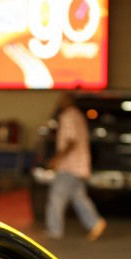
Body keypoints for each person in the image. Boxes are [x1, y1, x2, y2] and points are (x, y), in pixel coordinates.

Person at [44, 90, 106, 241]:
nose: (59, 102)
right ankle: (95, 223)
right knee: (78, 196)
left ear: (68, 101)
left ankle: (54, 230)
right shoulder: (79, 116)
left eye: (62, 99)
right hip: (81, 165)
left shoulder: (67, 116)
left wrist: (56, 159)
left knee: (56, 196)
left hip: (69, 165)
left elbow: (71, 141)